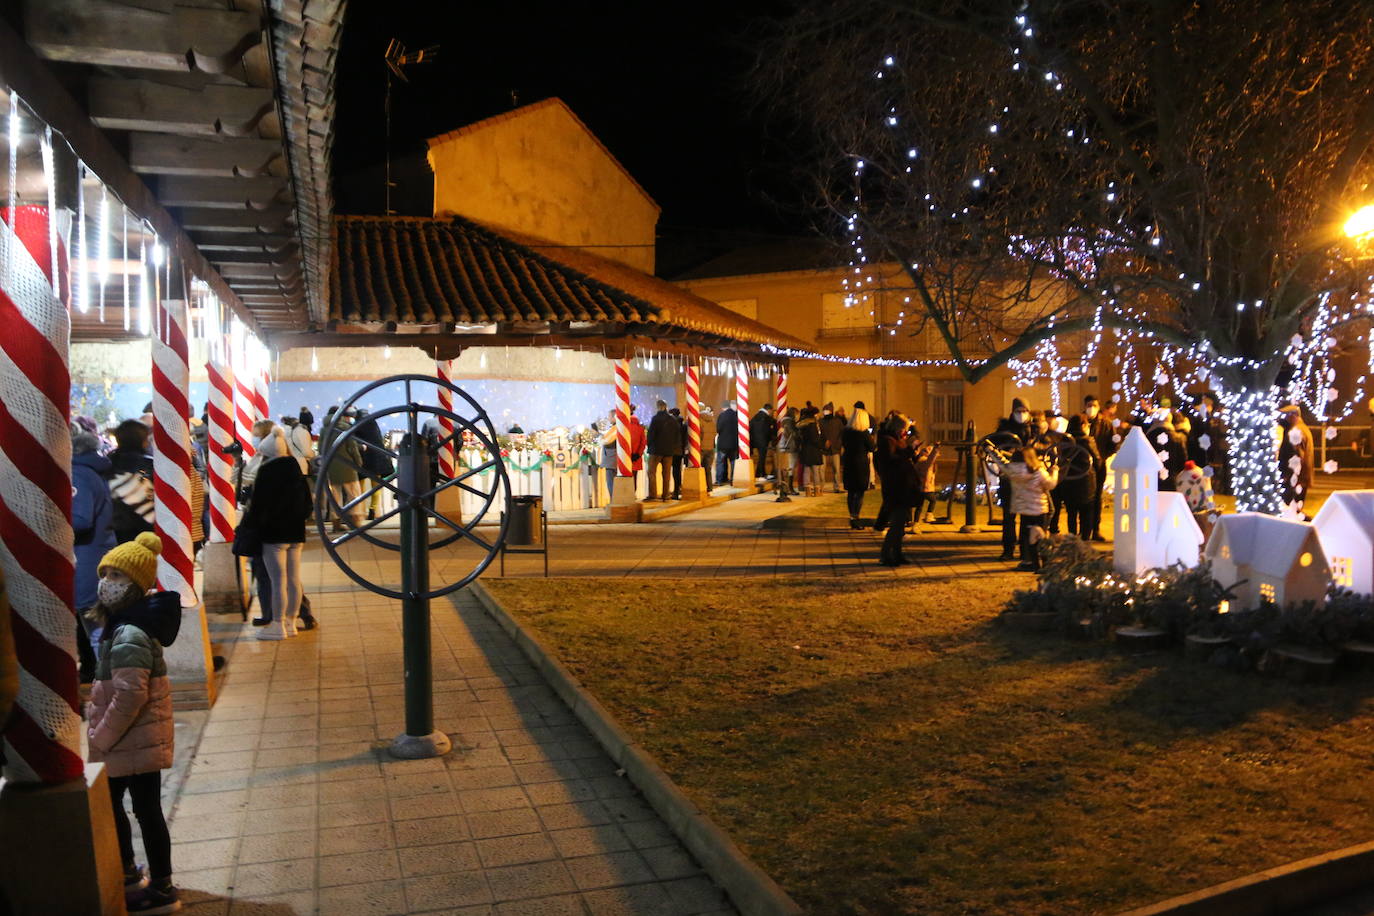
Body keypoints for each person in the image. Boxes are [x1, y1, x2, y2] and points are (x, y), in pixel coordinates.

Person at [86, 532, 181, 913]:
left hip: (130, 738)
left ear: (138, 585)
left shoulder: (129, 632)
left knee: (140, 809)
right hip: (132, 739)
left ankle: (159, 888)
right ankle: (133, 874)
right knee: (128, 806)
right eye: (106, 573)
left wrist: (101, 736)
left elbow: (130, 694)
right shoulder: (123, 625)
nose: (107, 583)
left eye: (118, 577)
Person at [243, 456, 314, 640]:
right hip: (296, 534)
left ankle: (278, 624)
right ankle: (291, 622)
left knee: (277, 581)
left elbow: (256, 511)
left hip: (273, 536)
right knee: (294, 579)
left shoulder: (267, 474)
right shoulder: (298, 477)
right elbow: (308, 509)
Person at [73, 432, 117, 683]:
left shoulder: (78, 473)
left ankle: (110, 681)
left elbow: (80, 519)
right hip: (100, 554)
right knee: (102, 626)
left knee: (96, 628)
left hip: (87, 560)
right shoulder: (95, 470)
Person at [1007, 446, 1058, 571]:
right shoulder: (1038, 471)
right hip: (1039, 509)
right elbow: (1050, 484)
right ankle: (1045, 563)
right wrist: (1055, 471)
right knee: (1040, 537)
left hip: (1025, 510)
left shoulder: (1014, 472)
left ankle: (1034, 563)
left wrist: (992, 453)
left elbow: (1001, 462)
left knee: (1029, 538)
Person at [995, 399, 1033, 560]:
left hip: (1028, 478)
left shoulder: (1034, 429)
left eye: (1024, 410)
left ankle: (1025, 551)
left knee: (1027, 517)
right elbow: (993, 446)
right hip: (1009, 476)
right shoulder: (1003, 430)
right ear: (1012, 412)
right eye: (1018, 410)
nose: (1021, 413)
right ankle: (1008, 549)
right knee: (1009, 517)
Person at [877, 418, 918, 566]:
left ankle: (897, 553)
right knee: (896, 524)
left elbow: (902, 458)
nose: (905, 433)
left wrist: (912, 451)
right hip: (895, 487)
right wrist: (907, 451)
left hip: (903, 486)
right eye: (904, 430)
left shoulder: (896, 440)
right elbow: (891, 461)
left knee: (900, 526)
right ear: (897, 428)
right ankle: (886, 554)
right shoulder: (887, 441)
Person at [108, 419, 156, 545]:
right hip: (147, 528)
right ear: (143, 441)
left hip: (115, 529)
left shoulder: (107, 463)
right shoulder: (151, 464)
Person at [321, 411, 364, 530]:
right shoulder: (345, 428)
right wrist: (358, 462)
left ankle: (336, 523)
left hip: (331, 467)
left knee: (335, 496)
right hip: (347, 466)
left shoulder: (324, 430)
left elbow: (321, 449)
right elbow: (352, 447)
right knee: (354, 494)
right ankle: (355, 522)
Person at [351, 411, 395, 520]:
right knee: (376, 487)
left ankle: (360, 510)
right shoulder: (374, 424)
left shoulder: (356, 425)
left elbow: (353, 442)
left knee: (359, 488)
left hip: (362, 460)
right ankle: (373, 509)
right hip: (377, 460)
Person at [1062, 415, 1100, 540]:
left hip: (1069, 481)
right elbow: (1097, 460)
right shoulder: (1088, 440)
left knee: (1071, 512)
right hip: (1086, 481)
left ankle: (1072, 539)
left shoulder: (1064, 440)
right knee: (1086, 512)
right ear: (1083, 425)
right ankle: (1085, 540)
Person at [841, 407, 876, 528]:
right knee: (860, 491)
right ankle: (856, 516)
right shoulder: (864, 433)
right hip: (861, 463)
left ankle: (852, 516)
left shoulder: (847, 431)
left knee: (851, 491)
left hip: (849, 462)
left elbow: (843, 443)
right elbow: (872, 447)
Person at [1277, 404, 1314, 516]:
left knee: (1290, 511)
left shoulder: (1295, 431)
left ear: (1293, 416)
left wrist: (1286, 477)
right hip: (1300, 479)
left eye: (1285, 417)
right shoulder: (1302, 429)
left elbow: (1295, 457)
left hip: (1294, 480)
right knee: (1295, 510)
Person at [1083, 395, 1111, 542]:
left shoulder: (1106, 423)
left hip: (1099, 466)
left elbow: (1113, 443)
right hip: (1083, 466)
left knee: (1097, 497)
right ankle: (1084, 531)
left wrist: (1102, 456)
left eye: (1094, 405)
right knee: (1084, 499)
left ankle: (1096, 529)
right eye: (1089, 405)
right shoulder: (1080, 421)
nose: (1091, 408)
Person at [645, 400, 680, 501]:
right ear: (666, 407)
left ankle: (653, 495)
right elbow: (677, 436)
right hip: (669, 451)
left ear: (658, 407)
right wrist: (673, 447)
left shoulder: (655, 419)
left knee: (651, 472)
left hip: (656, 451)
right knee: (666, 474)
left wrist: (649, 445)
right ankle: (666, 495)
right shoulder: (673, 420)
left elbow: (650, 435)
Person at [798, 406, 825, 497]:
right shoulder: (812, 425)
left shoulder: (803, 424)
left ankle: (808, 491)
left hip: (805, 451)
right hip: (813, 451)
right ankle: (817, 490)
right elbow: (815, 439)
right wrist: (821, 445)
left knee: (806, 471)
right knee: (815, 471)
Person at [913, 438, 941, 525]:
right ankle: (928, 515)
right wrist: (936, 448)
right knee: (933, 500)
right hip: (925, 488)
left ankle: (915, 523)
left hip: (920, 487)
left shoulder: (920, 461)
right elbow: (931, 458)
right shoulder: (925, 462)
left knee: (919, 506)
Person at [819, 403, 845, 493]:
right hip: (823, 448)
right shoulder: (820, 421)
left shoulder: (837, 421)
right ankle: (821, 486)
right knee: (822, 469)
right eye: (824, 410)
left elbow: (841, 434)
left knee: (836, 469)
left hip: (835, 449)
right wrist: (824, 442)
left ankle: (836, 487)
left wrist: (838, 444)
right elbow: (819, 434)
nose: (825, 412)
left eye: (827, 410)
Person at [749, 403, 777, 480]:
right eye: (771, 411)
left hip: (754, 440)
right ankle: (761, 473)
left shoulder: (755, 416)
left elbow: (750, 427)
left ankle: (759, 473)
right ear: (769, 410)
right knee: (762, 457)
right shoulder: (767, 418)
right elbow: (770, 430)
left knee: (760, 458)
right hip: (763, 440)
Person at [775, 408, 799, 496]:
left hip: (783, 447)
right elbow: (792, 434)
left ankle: (785, 487)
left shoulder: (783, 422)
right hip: (789, 447)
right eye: (796, 414)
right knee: (790, 469)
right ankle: (789, 488)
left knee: (785, 468)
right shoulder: (790, 423)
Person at [715, 400, 739, 485]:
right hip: (734, 443)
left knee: (720, 462)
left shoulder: (722, 415)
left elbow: (718, 429)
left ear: (723, 407)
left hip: (723, 444)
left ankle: (720, 480)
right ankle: (733, 479)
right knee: (733, 462)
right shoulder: (737, 415)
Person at [698, 404, 717, 493]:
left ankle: (699, 487)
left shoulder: (698, 420)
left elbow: (698, 434)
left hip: (702, 448)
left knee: (698, 469)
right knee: (707, 469)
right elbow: (714, 433)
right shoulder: (712, 420)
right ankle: (709, 487)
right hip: (711, 447)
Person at [669, 407, 687, 499]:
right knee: (677, 471)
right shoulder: (683, 425)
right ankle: (677, 489)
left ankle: (674, 492)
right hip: (680, 451)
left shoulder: (671, 425)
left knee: (671, 471)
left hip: (672, 451)